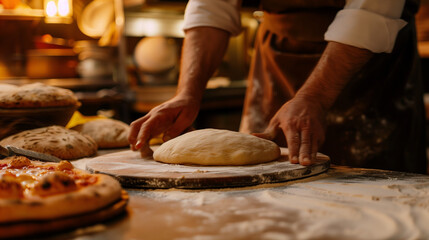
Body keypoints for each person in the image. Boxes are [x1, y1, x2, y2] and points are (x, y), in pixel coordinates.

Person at [129, 0, 427, 174]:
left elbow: (372, 10)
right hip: (276, 55)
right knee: (262, 179)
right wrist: (188, 92)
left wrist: (315, 95)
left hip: (370, 62)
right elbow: (212, 6)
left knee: (375, 188)